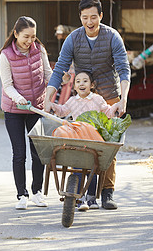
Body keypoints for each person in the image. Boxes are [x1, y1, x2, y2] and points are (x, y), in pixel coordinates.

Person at [44, 0, 131, 209]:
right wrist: (48, 97)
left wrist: (123, 99)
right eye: (85, 18)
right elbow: (60, 69)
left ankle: (107, 192)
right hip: (82, 99)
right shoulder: (73, 38)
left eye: (93, 17)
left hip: (108, 95)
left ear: (101, 16)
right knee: (80, 142)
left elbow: (123, 68)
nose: (89, 21)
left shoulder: (112, 37)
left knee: (108, 146)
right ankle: (79, 190)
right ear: (80, 18)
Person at [0, 16, 52, 210]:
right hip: (14, 110)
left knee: (38, 153)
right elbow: (8, 85)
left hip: (36, 108)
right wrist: (18, 98)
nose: (30, 41)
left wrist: (59, 81)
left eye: (33, 37)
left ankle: (37, 193)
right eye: (26, 37)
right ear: (16, 34)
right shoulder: (6, 55)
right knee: (19, 154)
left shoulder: (39, 50)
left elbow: (48, 75)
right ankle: (22, 195)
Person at [52, 71, 119, 210]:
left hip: (92, 137)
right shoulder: (72, 101)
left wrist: (115, 109)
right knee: (77, 167)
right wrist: (53, 107)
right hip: (77, 138)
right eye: (78, 81)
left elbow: (107, 111)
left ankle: (91, 198)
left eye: (85, 81)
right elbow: (62, 111)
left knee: (93, 167)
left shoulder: (97, 99)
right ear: (74, 86)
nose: (81, 84)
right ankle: (79, 199)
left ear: (92, 85)